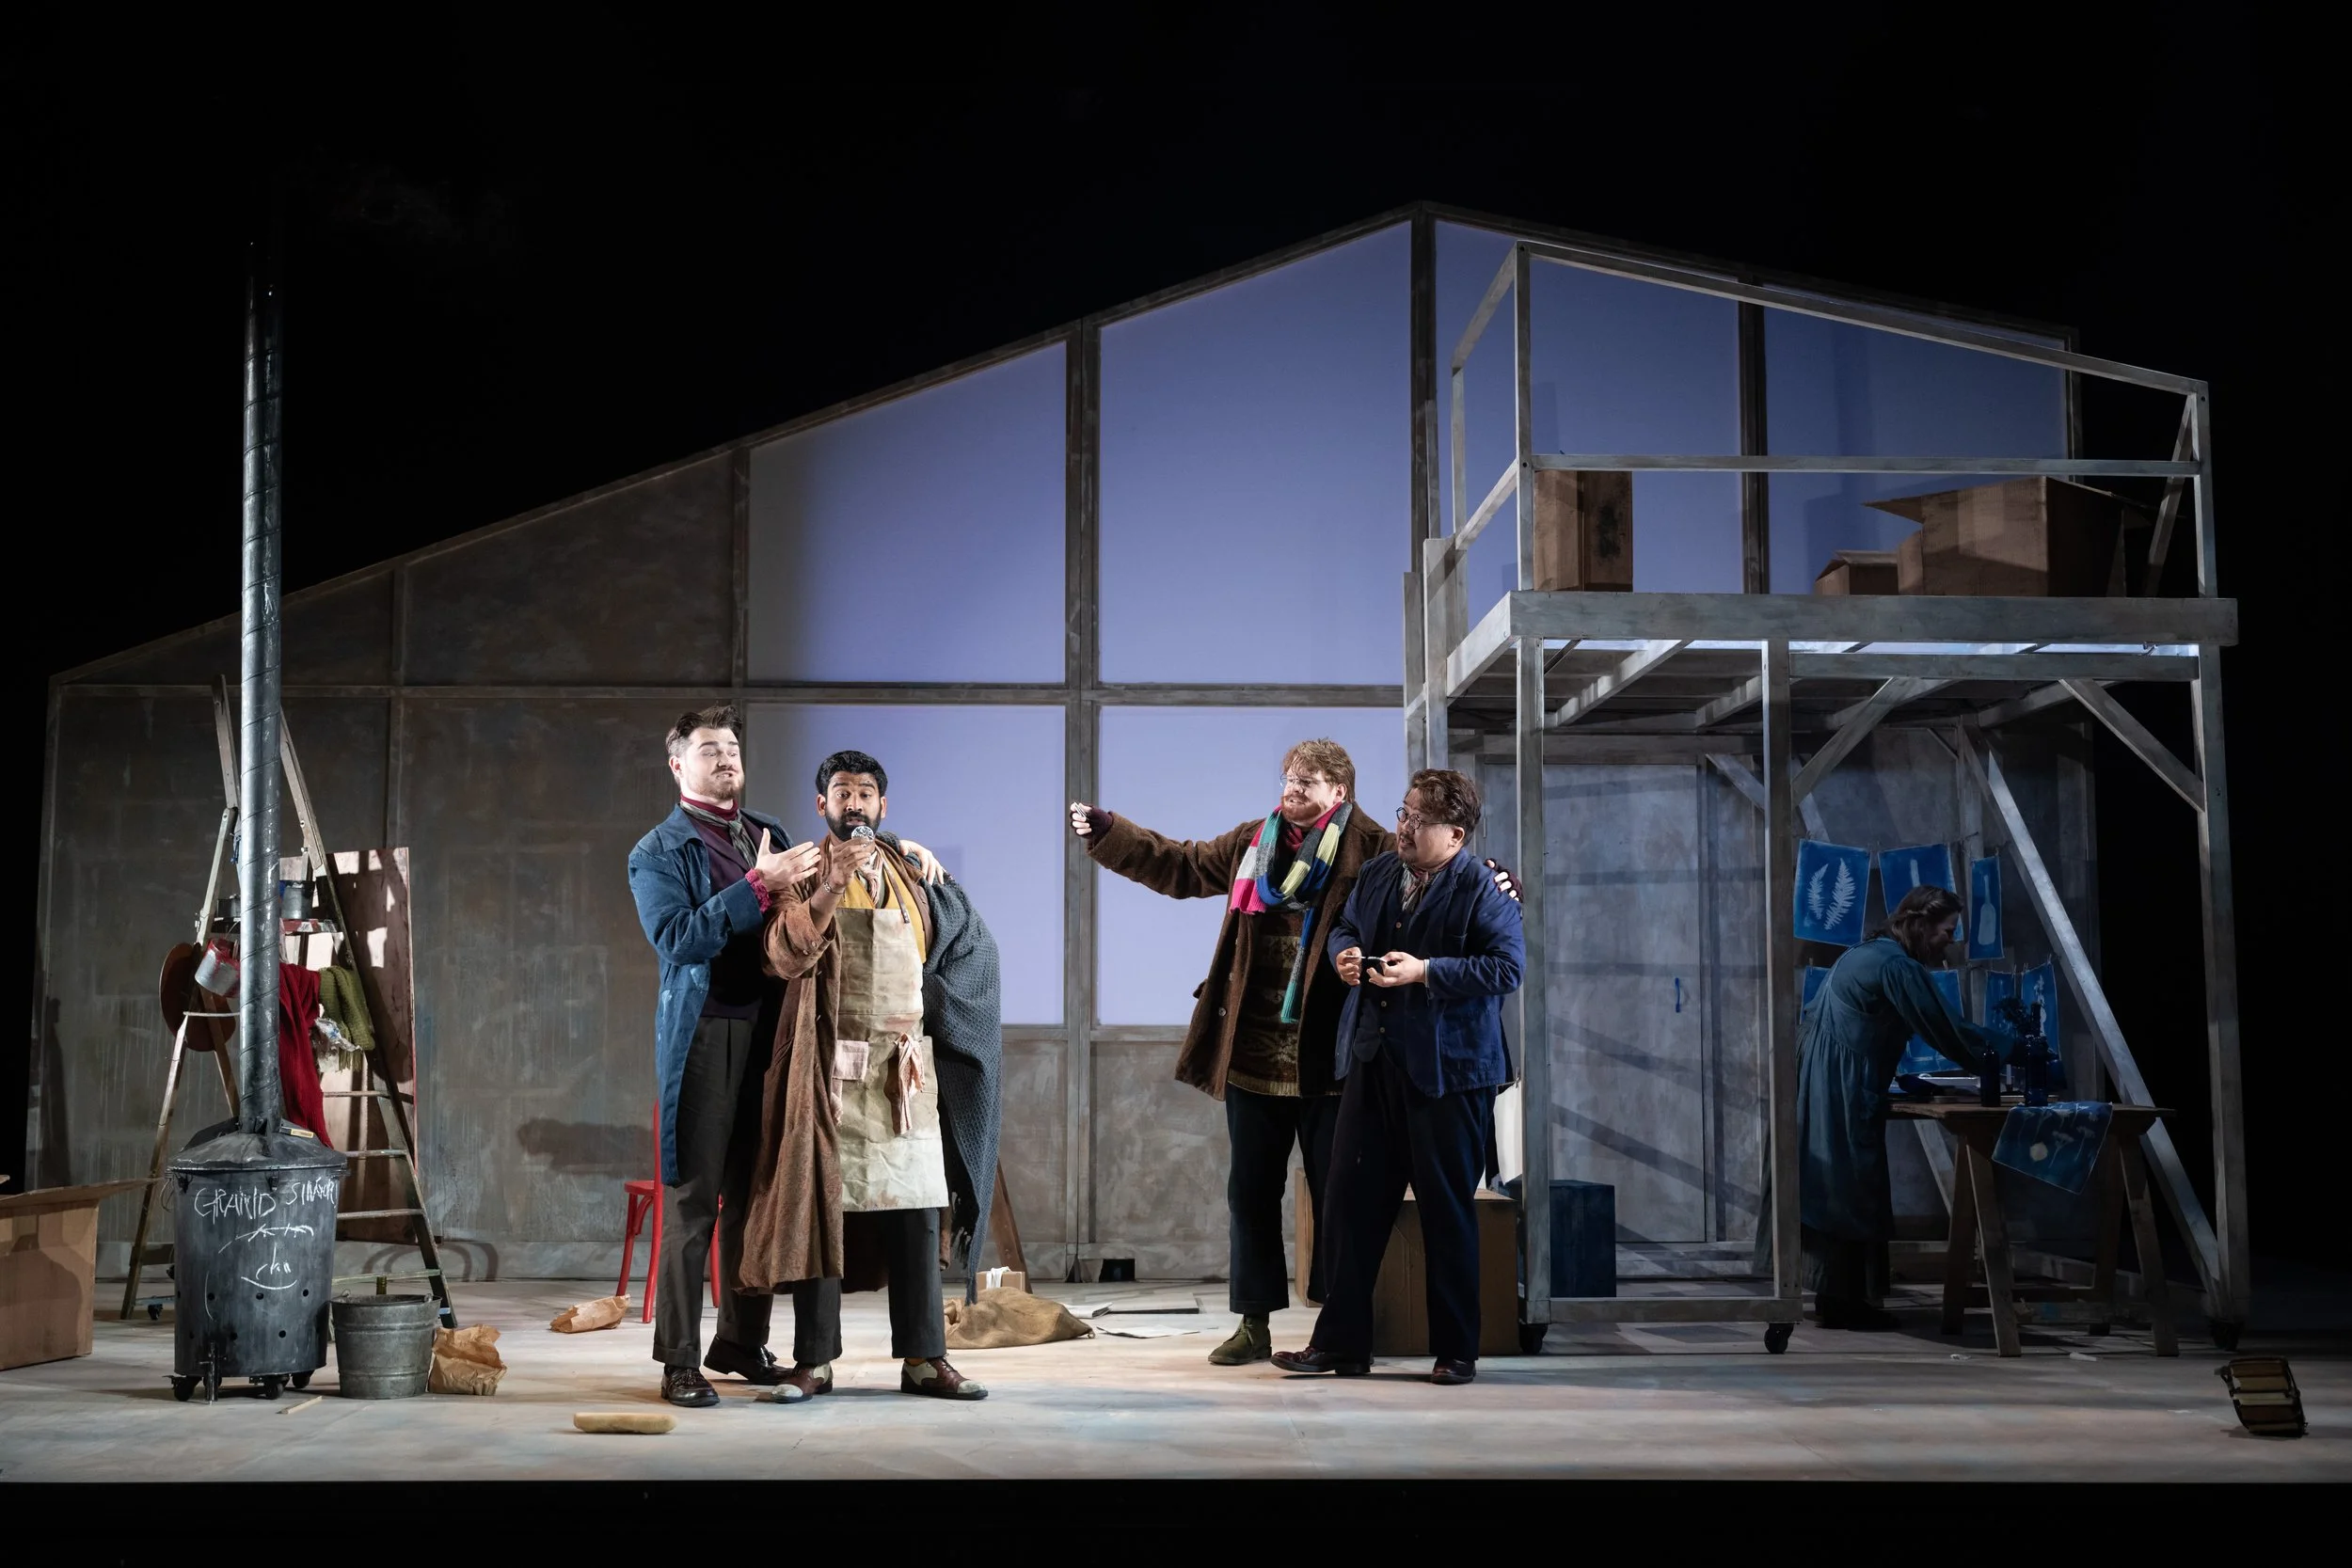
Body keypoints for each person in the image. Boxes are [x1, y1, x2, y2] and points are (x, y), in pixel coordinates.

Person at [1071, 742, 1518, 1367]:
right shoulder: (1257, 841)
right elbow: (1181, 864)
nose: (1290, 790)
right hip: (1256, 1052)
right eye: (1287, 779)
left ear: (1340, 792)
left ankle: (1382, 1339)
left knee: (1354, 1207)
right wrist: (1113, 833)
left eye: (1306, 782)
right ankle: (1263, 1325)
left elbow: (1464, 895)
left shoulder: (1374, 847)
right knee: (1256, 1194)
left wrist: (1498, 886)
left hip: (1331, 1064)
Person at [736, 749, 1003, 1402]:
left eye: (864, 794)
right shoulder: (799, 872)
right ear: (820, 804)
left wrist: (938, 1003)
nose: (853, 803)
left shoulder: (914, 872)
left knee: (916, 1208)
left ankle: (924, 1357)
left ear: (883, 805)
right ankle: (814, 1360)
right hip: (826, 1067)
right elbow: (779, 955)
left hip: (903, 1070)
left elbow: (973, 948)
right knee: (817, 1207)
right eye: (841, 792)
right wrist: (827, 887)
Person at [1271, 768, 1524, 1387]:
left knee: (1446, 1214)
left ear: (1455, 833)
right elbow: (1346, 926)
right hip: (1373, 1062)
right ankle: (1341, 1345)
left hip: (1449, 1076)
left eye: (1417, 819)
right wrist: (1345, 956)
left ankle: (1456, 1350)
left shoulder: (1484, 887)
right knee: (1349, 1208)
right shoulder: (1383, 871)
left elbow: (1506, 968)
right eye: (1403, 812)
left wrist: (1425, 971)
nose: (1403, 827)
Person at [626, 705, 819, 1408]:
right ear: (678, 764)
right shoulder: (657, 850)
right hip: (708, 1033)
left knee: (754, 1199)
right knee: (694, 1201)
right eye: (710, 749)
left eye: (732, 747)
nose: (726, 758)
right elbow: (679, 937)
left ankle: (739, 1339)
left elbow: (818, 905)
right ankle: (679, 1359)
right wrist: (757, 886)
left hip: (774, 1035)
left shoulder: (769, 832)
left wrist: (904, 852)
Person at [1772, 881, 1994, 1330]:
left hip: (1819, 1076)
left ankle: (1837, 1298)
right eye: (1947, 930)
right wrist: (2009, 1053)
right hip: (1839, 1083)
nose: (1951, 939)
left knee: (1833, 1183)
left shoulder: (1864, 952)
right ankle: (1846, 1303)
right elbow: (1944, 1028)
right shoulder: (1895, 966)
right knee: (1849, 1184)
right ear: (1921, 925)